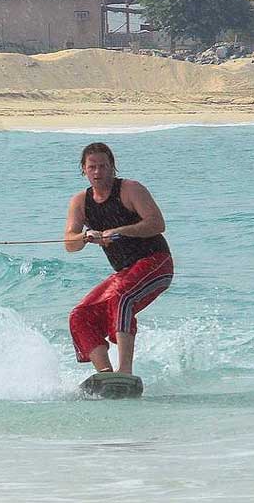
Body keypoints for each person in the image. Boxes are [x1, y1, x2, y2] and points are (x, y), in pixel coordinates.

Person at [63, 142, 173, 375]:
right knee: (80, 315)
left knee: (122, 297)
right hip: (125, 272)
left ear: (113, 167)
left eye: (103, 166)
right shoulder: (80, 202)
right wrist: (85, 236)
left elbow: (157, 224)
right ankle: (106, 375)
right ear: (83, 169)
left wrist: (121, 231)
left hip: (157, 262)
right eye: (92, 167)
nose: (98, 172)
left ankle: (125, 372)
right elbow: (69, 244)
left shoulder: (131, 189)